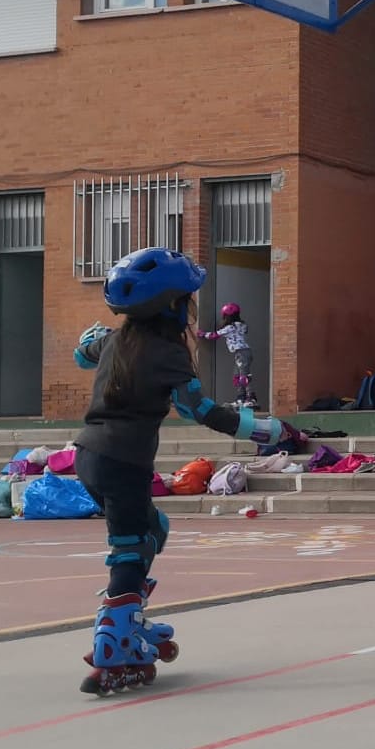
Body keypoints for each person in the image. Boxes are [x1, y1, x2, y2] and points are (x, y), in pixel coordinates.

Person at [71, 247, 301, 696]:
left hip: (88, 457)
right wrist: (264, 429)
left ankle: (128, 618)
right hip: (123, 461)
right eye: (188, 302)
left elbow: (83, 352)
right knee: (132, 548)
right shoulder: (168, 354)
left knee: (153, 528)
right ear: (172, 305)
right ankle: (113, 644)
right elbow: (200, 410)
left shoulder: (117, 340)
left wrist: (88, 342)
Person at [197, 301, 256, 406]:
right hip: (243, 353)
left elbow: (214, 336)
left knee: (243, 376)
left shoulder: (230, 327)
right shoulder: (242, 325)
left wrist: (202, 334)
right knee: (237, 376)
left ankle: (250, 398)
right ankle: (240, 398)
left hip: (241, 353)